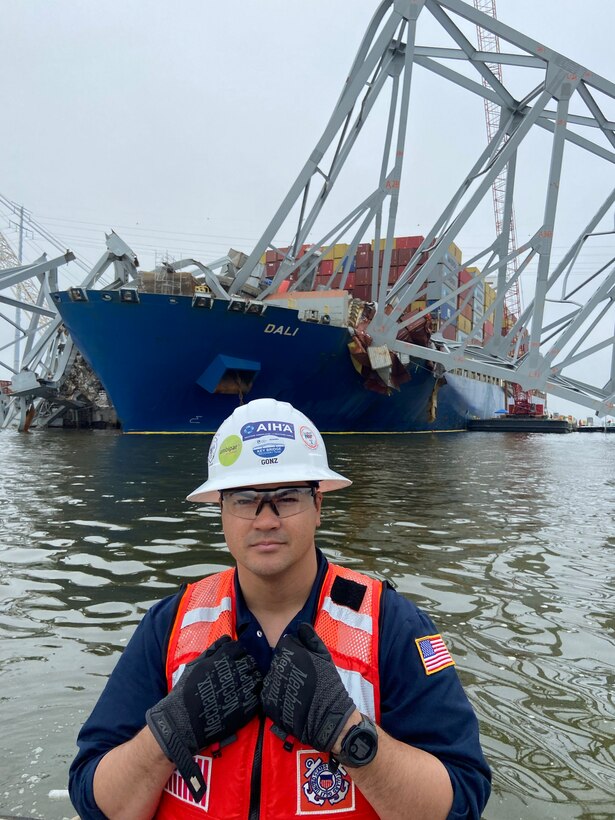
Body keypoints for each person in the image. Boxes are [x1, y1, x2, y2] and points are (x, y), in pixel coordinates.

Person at [69, 397, 491, 819]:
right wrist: (170, 731)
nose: (265, 520)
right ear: (220, 510)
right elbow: (94, 800)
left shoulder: (393, 626)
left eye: (287, 498)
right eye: (244, 499)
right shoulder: (170, 624)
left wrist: (348, 733)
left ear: (319, 506)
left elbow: (462, 800)